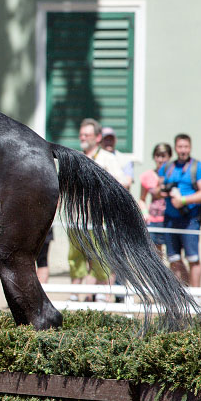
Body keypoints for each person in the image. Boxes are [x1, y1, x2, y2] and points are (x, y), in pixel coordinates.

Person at [68, 118, 130, 298]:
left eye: (86, 134)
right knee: (75, 258)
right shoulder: (76, 157)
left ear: (97, 137)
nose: (82, 137)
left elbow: (123, 182)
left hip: (99, 219)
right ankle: (74, 293)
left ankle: (101, 292)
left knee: (100, 257)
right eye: (81, 134)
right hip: (77, 217)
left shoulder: (107, 158)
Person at [159, 133, 201, 287]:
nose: (183, 150)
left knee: (193, 258)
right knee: (174, 259)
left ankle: (195, 295)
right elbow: (159, 188)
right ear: (175, 148)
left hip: (190, 219)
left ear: (190, 147)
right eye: (180, 147)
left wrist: (183, 200)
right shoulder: (168, 167)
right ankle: (181, 293)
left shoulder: (200, 168)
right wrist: (165, 191)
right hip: (170, 219)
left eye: (186, 147)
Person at [138, 143, 172, 253]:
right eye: (158, 156)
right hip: (153, 220)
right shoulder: (147, 175)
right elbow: (142, 199)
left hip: (171, 220)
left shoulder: (174, 174)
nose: (160, 159)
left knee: (173, 255)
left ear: (169, 157)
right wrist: (144, 213)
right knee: (156, 254)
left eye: (163, 156)